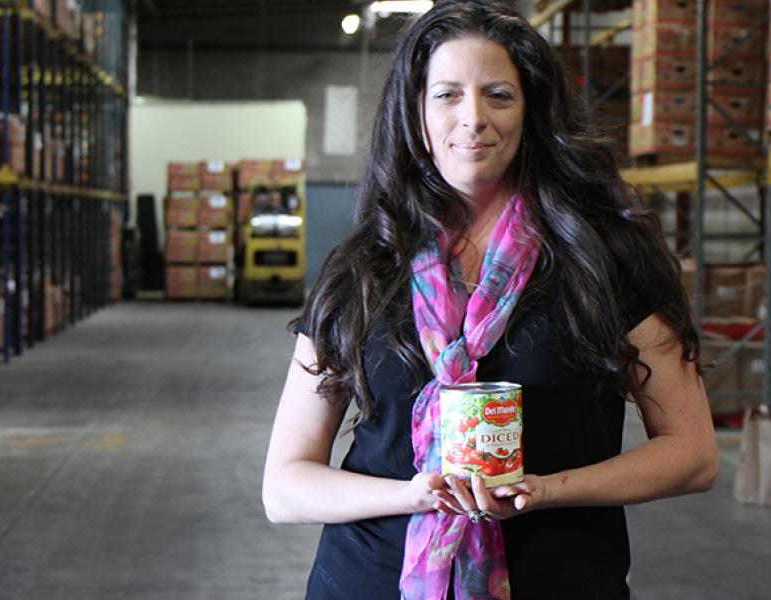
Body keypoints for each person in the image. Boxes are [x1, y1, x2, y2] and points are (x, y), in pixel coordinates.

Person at [262, 1, 718, 598]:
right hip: (369, 581)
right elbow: (285, 486)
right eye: (447, 95)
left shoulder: (600, 260)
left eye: (498, 95)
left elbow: (694, 454)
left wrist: (547, 490)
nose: (472, 118)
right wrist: (412, 494)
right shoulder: (362, 270)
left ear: (531, 113)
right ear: (415, 114)